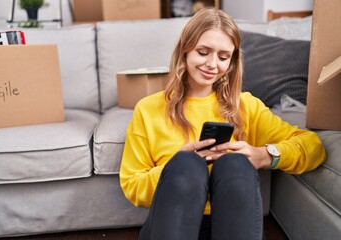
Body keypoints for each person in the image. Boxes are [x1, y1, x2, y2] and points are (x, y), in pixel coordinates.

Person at [119, 7, 326, 240]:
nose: (212, 64)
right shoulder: (148, 109)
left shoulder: (246, 106)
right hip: (171, 223)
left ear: (231, 62)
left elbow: (313, 146)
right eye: (203, 52)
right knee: (187, 164)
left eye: (223, 56)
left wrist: (265, 155)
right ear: (185, 51)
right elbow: (132, 186)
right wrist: (173, 167)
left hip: (229, 225)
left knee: (234, 164)